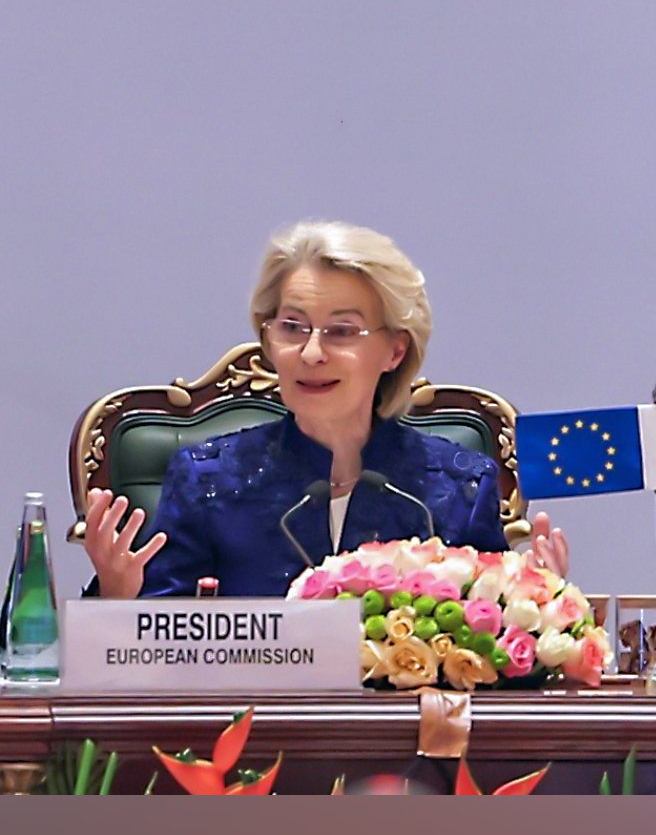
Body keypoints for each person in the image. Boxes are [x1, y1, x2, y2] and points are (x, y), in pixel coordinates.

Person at [83, 221, 568, 598]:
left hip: (400, 726)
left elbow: (489, 653)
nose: (311, 353)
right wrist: (119, 594)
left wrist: (537, 604)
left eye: (341, 331)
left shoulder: (456, 486)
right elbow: (154, 651)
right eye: (292, 326)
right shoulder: (208, 479)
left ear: (395, 351)